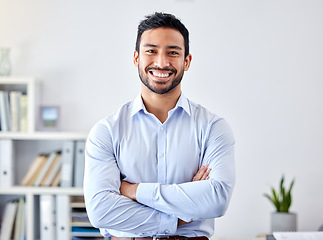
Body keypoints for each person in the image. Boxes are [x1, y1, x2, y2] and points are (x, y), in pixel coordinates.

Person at [84, 12, 235, 240]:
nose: (162, 62)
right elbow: (101, 211)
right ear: (136, 58)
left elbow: (217, 199)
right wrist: (183, 214)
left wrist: (133, 191)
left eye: (172, 52)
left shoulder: (213, 128)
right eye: (151, 51)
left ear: (187, 61)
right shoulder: (106, 131)